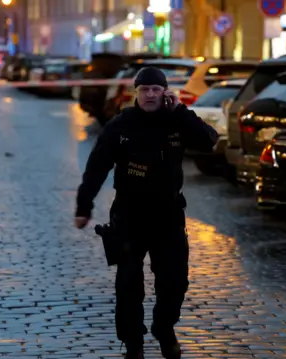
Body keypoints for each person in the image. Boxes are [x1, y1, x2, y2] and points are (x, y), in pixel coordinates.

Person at [74, 67, 219, 359]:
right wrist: (84, 205)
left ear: (164, 92)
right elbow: (97, 166)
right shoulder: (122, 125)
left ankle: (164, 328)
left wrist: (180, 110)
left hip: (168, 216)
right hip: (129, 216)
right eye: (145, 89)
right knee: (128, 286)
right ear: (136, 93)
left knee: (175, 281)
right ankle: (133, 344)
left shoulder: (176, 121)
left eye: (156, 89)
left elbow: (208, 141)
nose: (150, 94)